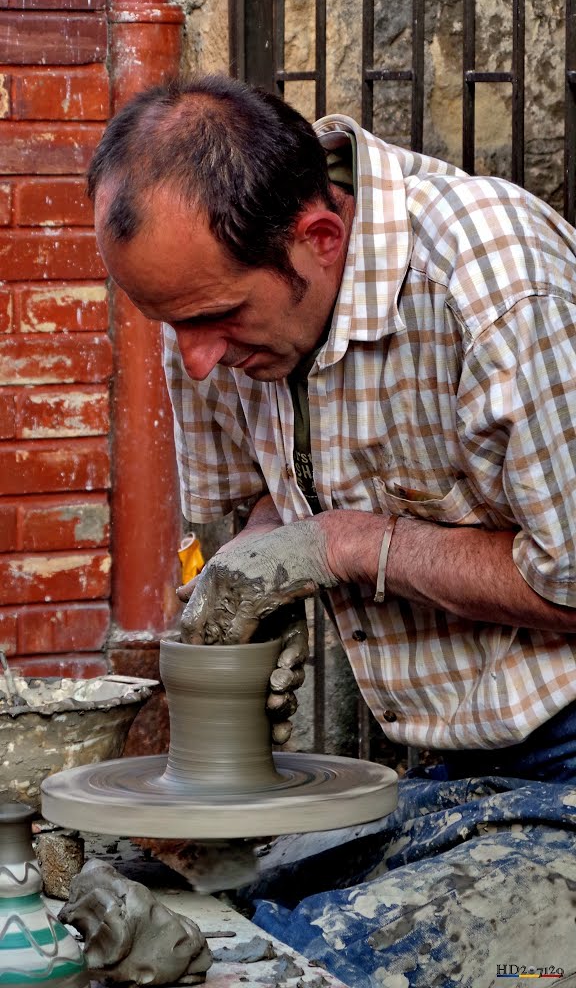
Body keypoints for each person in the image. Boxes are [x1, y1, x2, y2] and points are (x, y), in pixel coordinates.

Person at [88, 75, 576, 987]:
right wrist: (245, 589)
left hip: (566, 760)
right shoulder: (204, 311)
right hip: (435, 767)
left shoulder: (494, 282)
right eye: (170, 324)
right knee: (152, 898)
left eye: (215, 319)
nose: (195, 357)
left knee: (289, 964)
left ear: (320, 237)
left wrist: (346, 545)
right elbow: (256, 513)